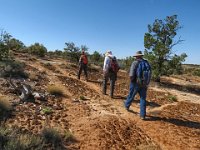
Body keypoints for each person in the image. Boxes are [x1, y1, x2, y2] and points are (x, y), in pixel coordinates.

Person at [124, 51, 151, 120]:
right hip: (144, 84)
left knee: (131, 95)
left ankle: (127, 106)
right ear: (141, 56)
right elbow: (150, 73)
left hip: (136, 83)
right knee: (143, 99)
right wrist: (147, 83)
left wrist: (132, 80)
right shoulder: (146, 62)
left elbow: (131, 74)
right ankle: (142, 115)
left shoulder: (135, 62)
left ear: (136, 56)